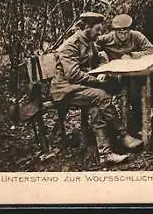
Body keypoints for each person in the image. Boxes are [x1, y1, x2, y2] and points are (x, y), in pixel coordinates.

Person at [50, 12, 142, 165]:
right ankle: (123, 135)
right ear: (86, 27)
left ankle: (105, 153)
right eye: (97, 30)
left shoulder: (89, 41)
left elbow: (97, 60)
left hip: (81, 87)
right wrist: (97, 81)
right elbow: (73, 74)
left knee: (96, 107)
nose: (100, 33)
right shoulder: (70, 46)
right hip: (65, 89)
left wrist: (101, 71)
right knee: (102, 96)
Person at [96, 14, 153, 140]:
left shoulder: (136, 36)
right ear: (114, 31)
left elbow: (152, 51)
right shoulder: (106, 39)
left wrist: (133, 55)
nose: (123, 35)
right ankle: (139, 128)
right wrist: (104, 63)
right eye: (120, 32)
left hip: (142, 71)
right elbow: (94, 48)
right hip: (123, 76)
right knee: (135, 96)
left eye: (126, 31)